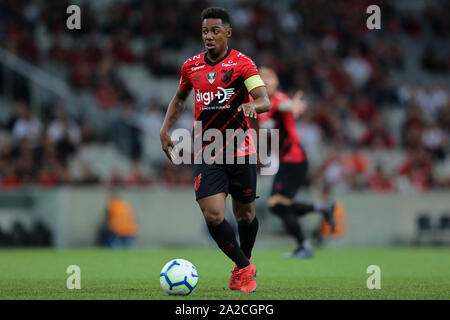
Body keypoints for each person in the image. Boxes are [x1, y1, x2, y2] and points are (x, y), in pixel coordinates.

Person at [159, 7, 270, 293]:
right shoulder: (191, 67)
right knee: (213, 214)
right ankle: (245, 267)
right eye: (205, 31)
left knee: (245, 215)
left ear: (228, 33)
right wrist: (165, 128)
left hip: (240, 150)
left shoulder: (243, 64)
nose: (209, 36)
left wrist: (251, 105)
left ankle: (240, 269)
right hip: (207, 151)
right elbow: (180, 98)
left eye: (215, 31)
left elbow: (264, 100)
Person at [257, 66, 336, 259]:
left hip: (294, 158)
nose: (266, 81)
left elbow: (282, 106)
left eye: (270, 78)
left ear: (276, 82)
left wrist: (291, 105)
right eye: (262, 78)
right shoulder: (260, 103)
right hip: (286, 160)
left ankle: (306, 242)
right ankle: (319, 212)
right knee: (278, 206)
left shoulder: (280, 99)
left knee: (276, 204)